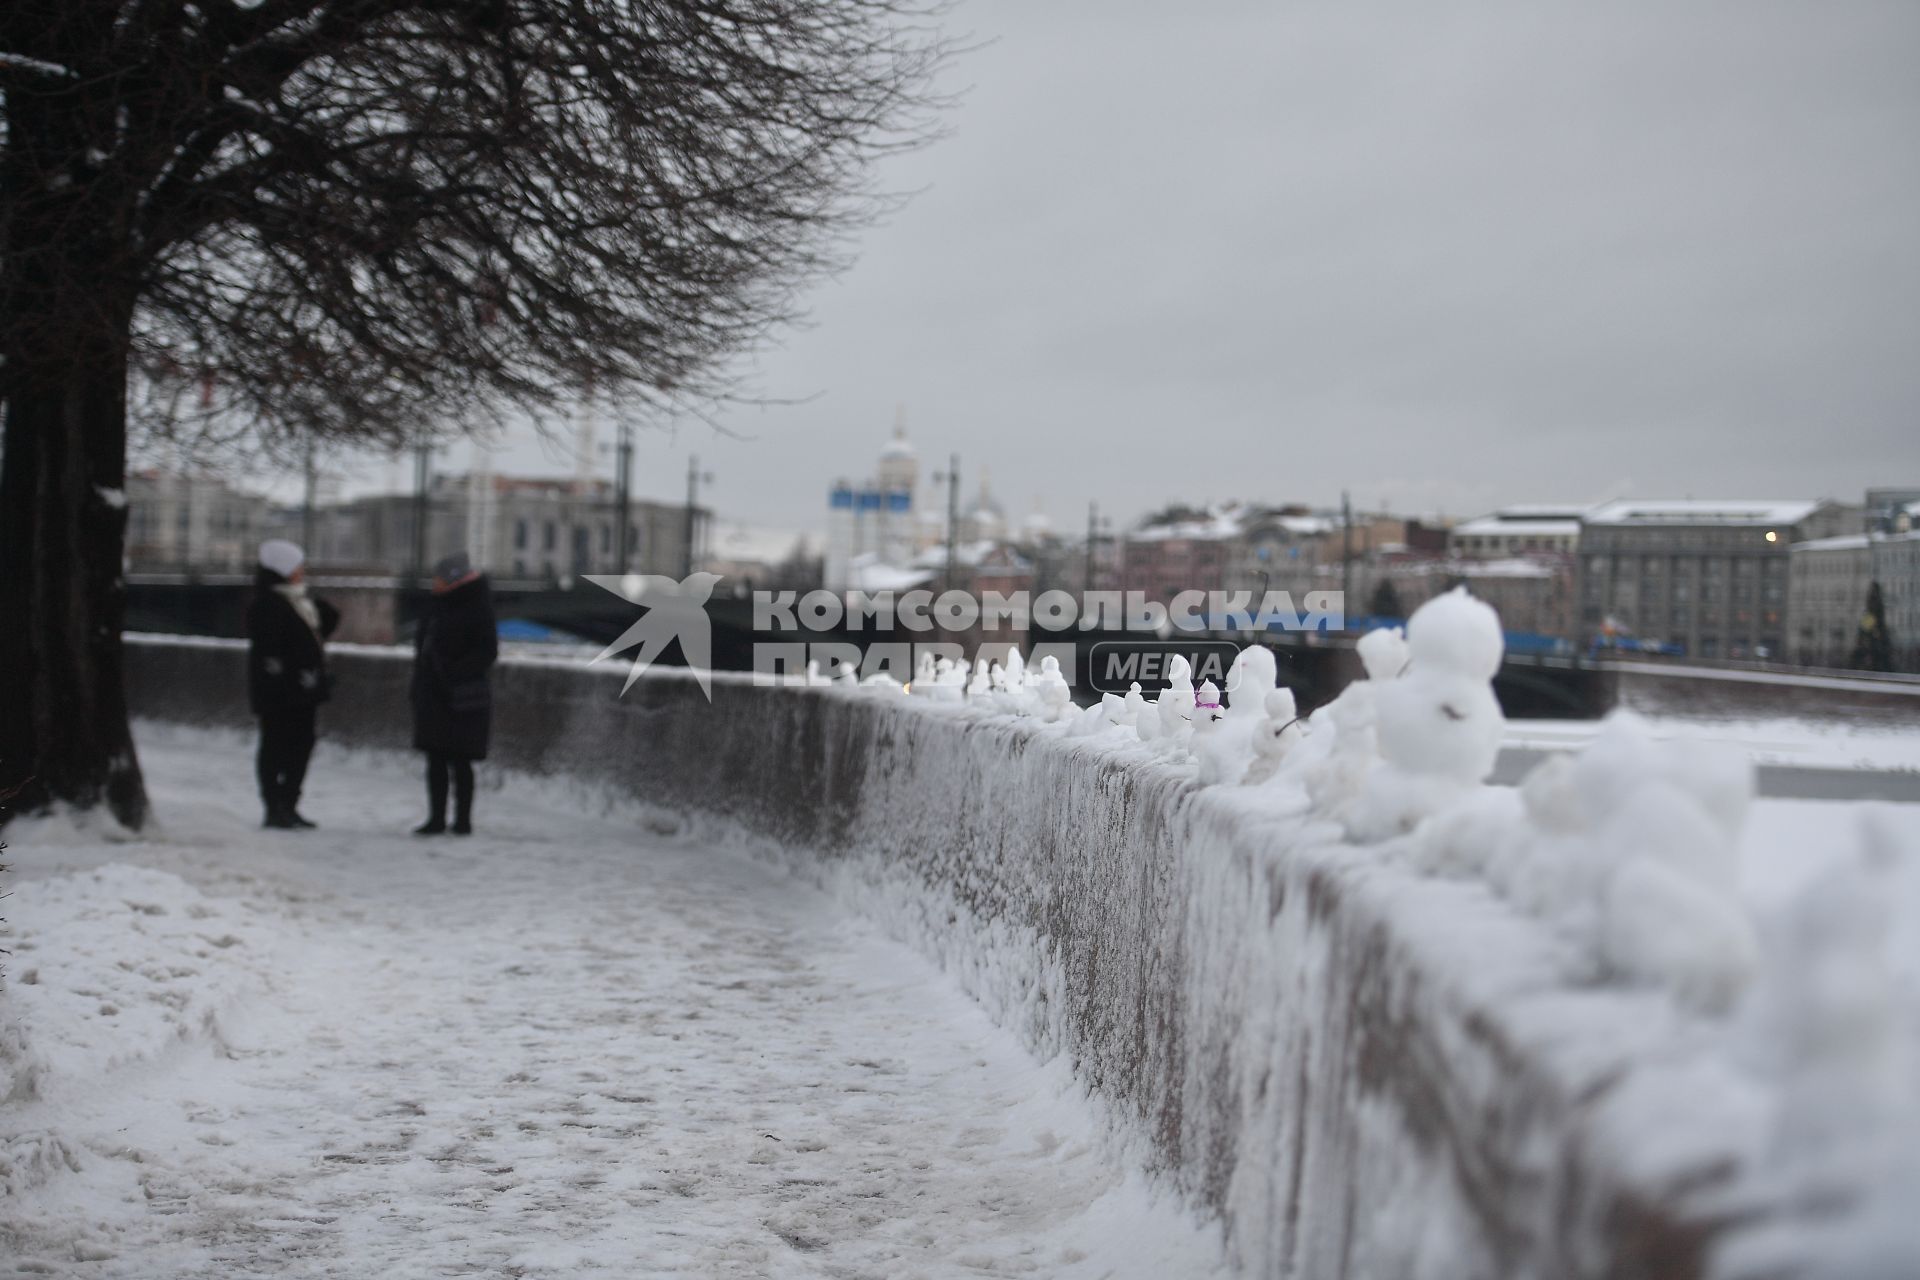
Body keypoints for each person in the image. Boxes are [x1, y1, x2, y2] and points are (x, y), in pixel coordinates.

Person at [247, 539, 340, 829]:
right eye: (298, 566)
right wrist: (282, 680)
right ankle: (275, 806)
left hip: (304, 691)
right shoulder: (269, 605)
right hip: (281, 693)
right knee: (276, 747)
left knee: (301, 746)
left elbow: (324, 624)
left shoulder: (299, 601)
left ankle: (289, 803)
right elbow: (271, 652)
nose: (302, 571)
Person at [411, 551, 498, 835]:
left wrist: (454, 672)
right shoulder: (436, 605)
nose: (433, 583)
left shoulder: (477, 607)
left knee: (460, 759)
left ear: (452, 580)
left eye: (437, 578)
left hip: (463, 696)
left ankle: (462, 821)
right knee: (436, 757)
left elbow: (487, 651)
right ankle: (436, 819)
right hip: (433, 693)